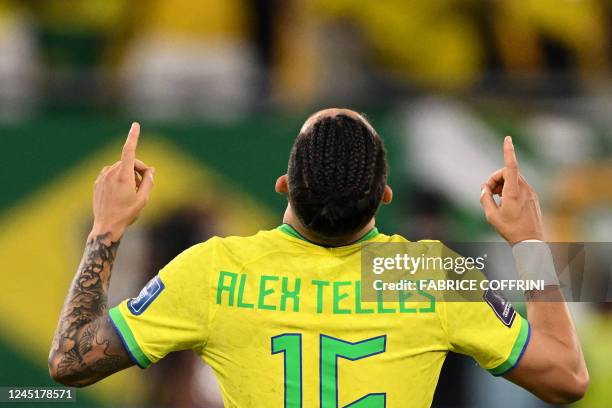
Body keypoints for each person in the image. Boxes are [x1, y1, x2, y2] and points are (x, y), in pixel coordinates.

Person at [48, 109, 588, 407]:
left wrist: (107, 227)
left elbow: (69, 361)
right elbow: (566, 377)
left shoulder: (217, 270)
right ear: (384, 196)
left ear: (285, 185)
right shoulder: (427, 273)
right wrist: (530, 242)